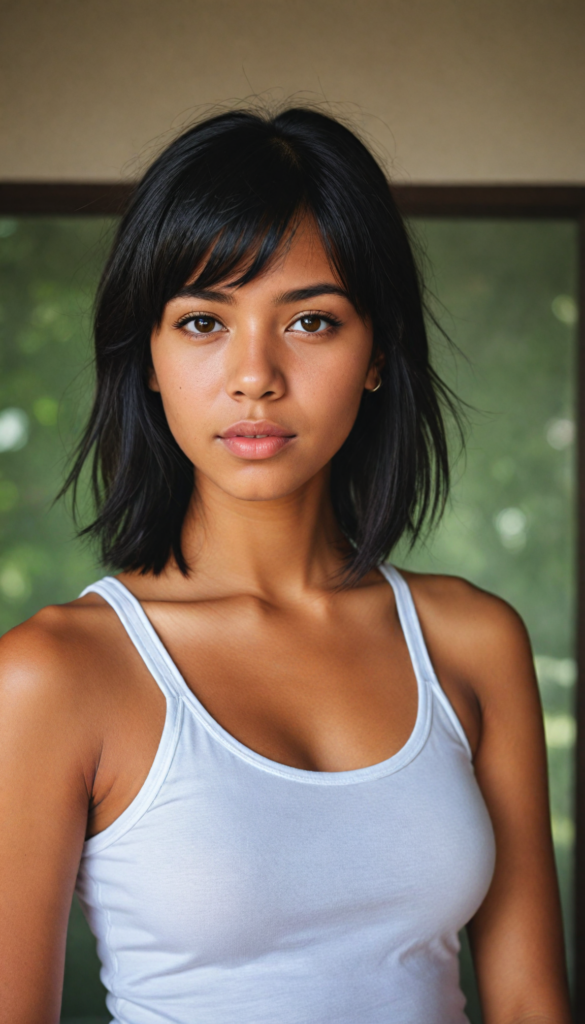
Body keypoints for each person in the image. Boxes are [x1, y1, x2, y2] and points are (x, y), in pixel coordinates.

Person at [0, 107, 571, 1024]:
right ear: (146, 358)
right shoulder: (54, 673)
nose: (254, 374)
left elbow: (529, 1002)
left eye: (309, 320)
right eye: (201, 322)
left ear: (377, 352)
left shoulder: (470, 642)